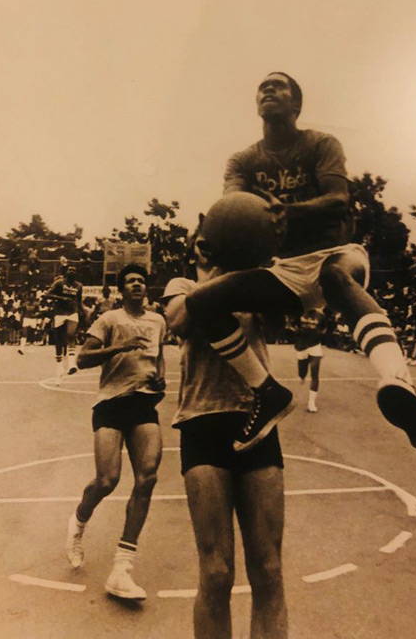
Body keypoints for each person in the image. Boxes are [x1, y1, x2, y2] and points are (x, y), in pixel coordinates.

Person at [183, 71, 416, 452]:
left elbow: (338, 199)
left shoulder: (320, 144)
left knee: (336, 277)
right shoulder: (242, 160)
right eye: (262, 87)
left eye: (278, 86)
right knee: (201, 301)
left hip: (333, 253)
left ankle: (399, 380)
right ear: (257, 105)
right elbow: (231, 207)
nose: (268, 90)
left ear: (296, 105)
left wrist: (288, 211)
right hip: (282, 270)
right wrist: (214, 235)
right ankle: (267, 392)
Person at [163, 239, 289, 639]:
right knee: (216, 571)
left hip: (257, 419)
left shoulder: (253, 282)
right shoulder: (182, 284)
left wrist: (261, 271)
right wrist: (225, 274)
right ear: (196, 250)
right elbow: (178, 321)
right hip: (202, 421)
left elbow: (281, 325)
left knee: (268, 569)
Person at [65, 264, 165, 601]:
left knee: (147, 477)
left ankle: (122, 566)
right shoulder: (108, 320)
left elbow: (158, 357)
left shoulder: (158, 321)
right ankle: (78, 523)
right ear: (121, 290)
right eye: (130, 281)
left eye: (140, 280)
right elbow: (83, 357)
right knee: (107, 480)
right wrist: (116, 349)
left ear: (145, 288)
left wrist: (160, 379)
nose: (136, 284)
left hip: (144, 403)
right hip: (111, 403)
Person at [42, 266, 89, 383]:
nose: (72, 271)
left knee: (71, 334)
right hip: (59, 313)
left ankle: (71, 364)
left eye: (74, 270)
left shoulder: (79, 286)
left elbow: (78, 300)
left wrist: (83, 312)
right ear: (66, 272)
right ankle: (59, 368)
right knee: (58, 342)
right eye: (70, 270)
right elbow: (46, 294)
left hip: (72, 312)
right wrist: (62, 298)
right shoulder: (59, 283)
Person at [293, 306, 326, 412]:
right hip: (301, 345)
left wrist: (318, 336)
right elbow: (293, 326)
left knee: (314, 373)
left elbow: (325, 329)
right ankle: (302, 376)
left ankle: (311, 403)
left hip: (315, 346)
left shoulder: (321, 315)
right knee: (302, 372)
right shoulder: (298, 313)